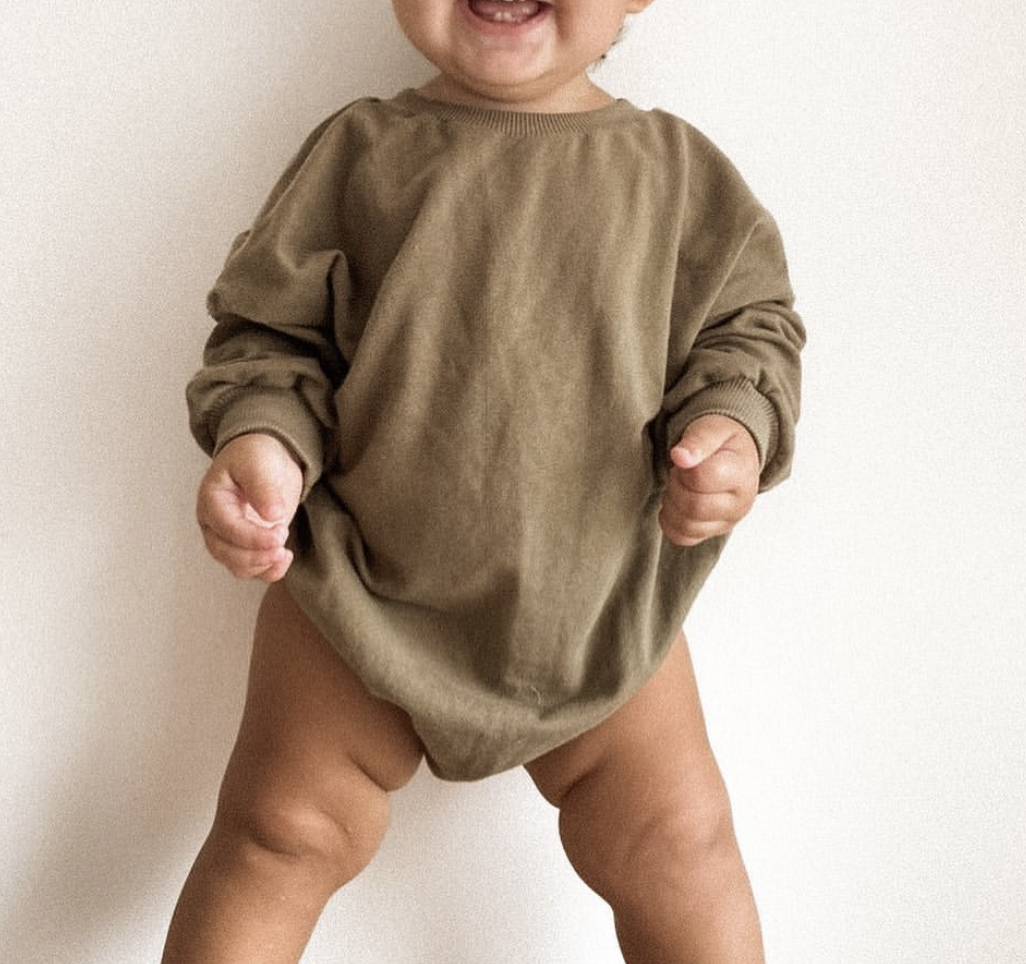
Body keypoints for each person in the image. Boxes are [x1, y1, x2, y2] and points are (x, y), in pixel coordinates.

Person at [163, 0, 805, 961]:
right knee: (276, 836)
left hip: (600, 607)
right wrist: (262, 444)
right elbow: (272, 336)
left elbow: (749, 328)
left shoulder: (677, 172)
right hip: (358, 594)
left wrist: (732, 428)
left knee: (680, 847)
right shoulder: (360, 152)